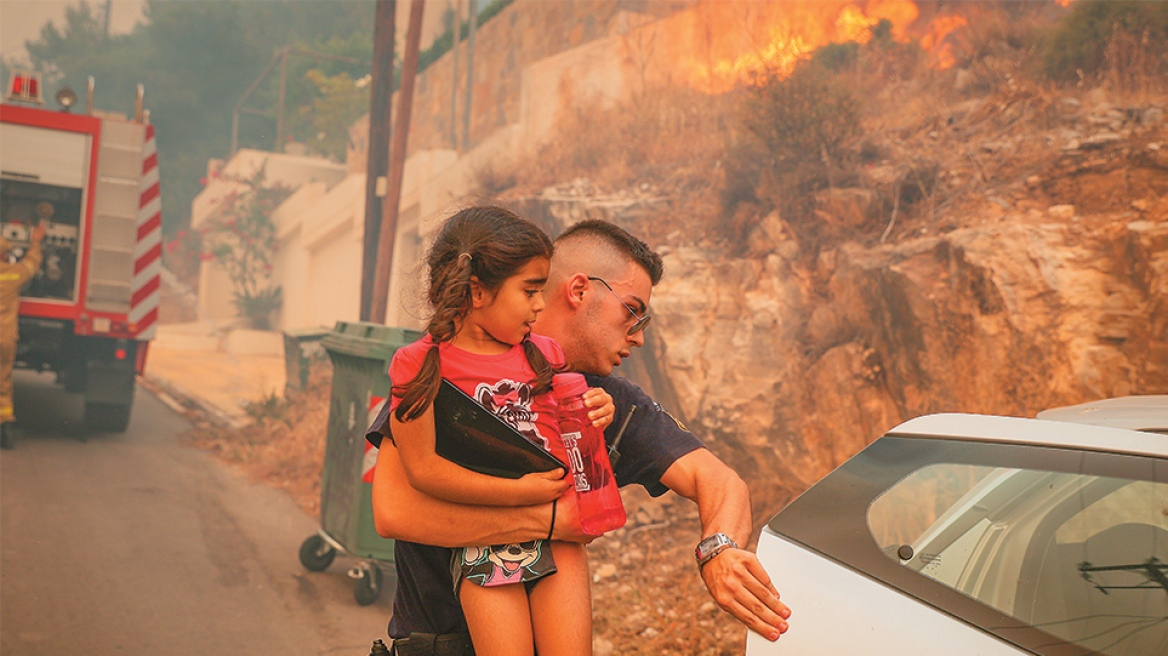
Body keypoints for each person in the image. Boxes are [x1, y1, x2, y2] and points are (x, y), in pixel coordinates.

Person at [369, 219, 791, 655]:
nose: (640, 336)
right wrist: (552, 521)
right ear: (579, 290)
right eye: (632, 310)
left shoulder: (605, 399)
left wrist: (718, 549)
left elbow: (719, 481)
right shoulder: (453, 368)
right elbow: (394, 511)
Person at [383, 206, 615, 656]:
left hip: (559, 540)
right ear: (477, 291)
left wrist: (594, 411)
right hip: (485, 542)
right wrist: (521, 494)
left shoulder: (543, 353)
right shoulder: (420, 366)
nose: (540, 304)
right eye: (529, 290)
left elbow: (563, 436)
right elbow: (423, 471)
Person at [1, 223, 45, 450]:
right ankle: (4, 428)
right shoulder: (14, 274)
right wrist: (35, 240)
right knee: (3, 383)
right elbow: (32, 263)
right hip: (5, 341)